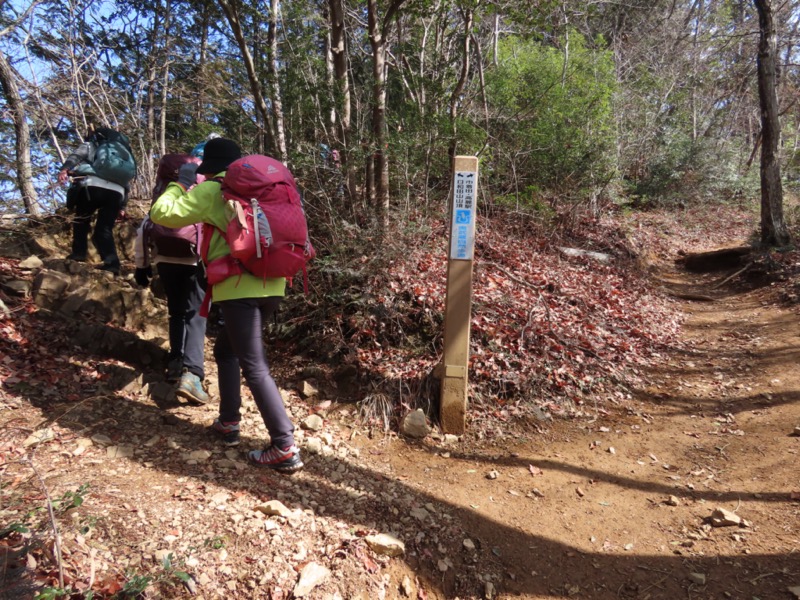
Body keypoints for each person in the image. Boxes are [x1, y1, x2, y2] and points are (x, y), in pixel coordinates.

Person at [150, 138, 303, 474]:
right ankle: (228, 421)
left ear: (210, 169)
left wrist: (181, 183)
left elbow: (161, 215)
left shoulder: (213, 191)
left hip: (237, 287)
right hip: (274, 282)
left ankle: (284, 445)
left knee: (253, 363)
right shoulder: (263, 190)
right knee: (226, 351)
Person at [134, 153, 209, 401]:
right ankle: (193, 372)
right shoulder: (198, 194)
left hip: (164, 260)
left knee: (176, 312)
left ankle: (175, 362)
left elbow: (146, 226)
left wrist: (142, 266)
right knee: (195, 314)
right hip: (193, 260)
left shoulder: (165, 193)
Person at [57, 125, 136, 275]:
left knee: (81, 220)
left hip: (93, 187)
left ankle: (79, 253)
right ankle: (112, 263)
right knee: (104, 228)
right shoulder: (124, 154)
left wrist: (64, 169)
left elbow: (75, 156)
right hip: (116, 193)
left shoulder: (92, 145)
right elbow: (126, 183)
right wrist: (122, 207)